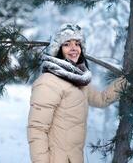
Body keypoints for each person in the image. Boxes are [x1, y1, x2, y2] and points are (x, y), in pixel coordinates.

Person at [27, 23, 125, 163]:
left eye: (77, 44)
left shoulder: (79, 80)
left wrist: (126, 82)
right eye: (67, 44)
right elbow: (37, 129)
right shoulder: (48, 82)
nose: (74, 48)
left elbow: (101, 99)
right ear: (58, 49)